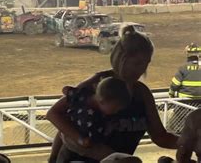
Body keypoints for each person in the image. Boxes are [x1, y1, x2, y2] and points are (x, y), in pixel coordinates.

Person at [48, 25, 178, 162]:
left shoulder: (142, 93)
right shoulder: (99, 85)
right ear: (121, 58)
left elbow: (160, 136)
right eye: (137, 63)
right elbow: (56, 115)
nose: (142, 69)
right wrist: (80, 141)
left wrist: (190, 140)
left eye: (146, 63)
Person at [48, 77, 131, 162]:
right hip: (77, 143)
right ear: (102, 101)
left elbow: (68, 91)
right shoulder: (93, 117)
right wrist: (81, 139)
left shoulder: (82, 96)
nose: (116, 112)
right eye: (115, 108)